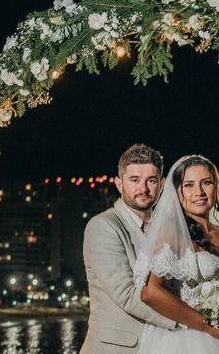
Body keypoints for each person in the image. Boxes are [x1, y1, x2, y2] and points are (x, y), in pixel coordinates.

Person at [133, 155, 219, 353]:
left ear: (216, 187)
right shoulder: (172, 232)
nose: (199, 192)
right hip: (191, 341)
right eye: (189, 185)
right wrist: (206, 325)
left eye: (206, 183)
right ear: (178, 192)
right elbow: (149, 292)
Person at [79, 144, 177, 353]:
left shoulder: (167, 230)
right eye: (134, 180)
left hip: (161, 345)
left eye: (150, 180)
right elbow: (126, 294)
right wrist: (187, 321)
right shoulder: (103, 226)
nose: (143, 188)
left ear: (161, 184)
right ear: (119, 183)